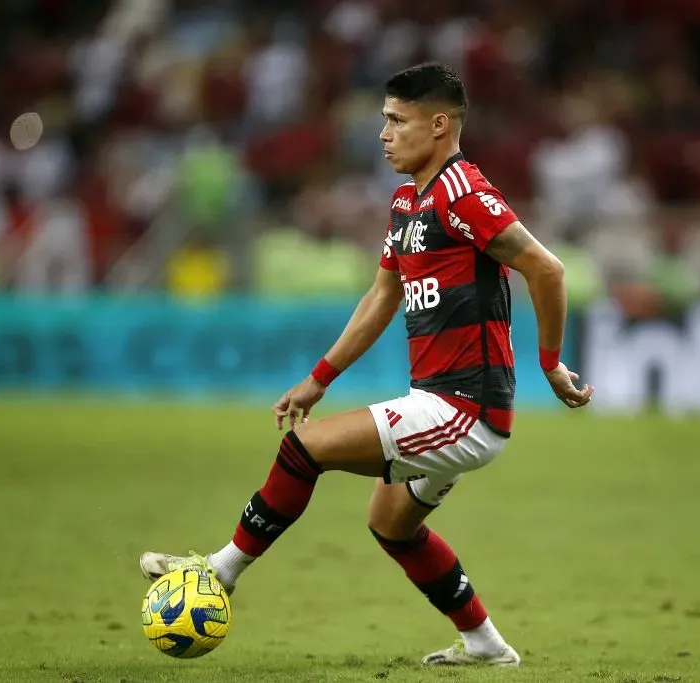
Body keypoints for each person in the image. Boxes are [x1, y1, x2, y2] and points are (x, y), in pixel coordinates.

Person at [140, 62, 594, 667]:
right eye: (383, 119)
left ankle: (218, 573)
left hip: (466, 409)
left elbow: (548, 268)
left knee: (305, 450)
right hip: (437, 398)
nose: (382, 134)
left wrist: (551, 364)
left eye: (395, 120)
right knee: (392, 526)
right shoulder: (409, 200)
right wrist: (317, 380)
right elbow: (382, 298)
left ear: (438, 125)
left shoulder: (465, 195)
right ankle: (487, 646)